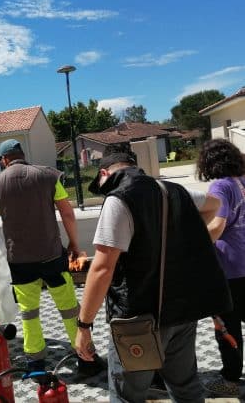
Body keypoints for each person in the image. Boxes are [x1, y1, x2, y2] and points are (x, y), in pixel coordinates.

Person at [75, 152, 232, 402]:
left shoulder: (119, 198)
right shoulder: (173, 190)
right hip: (182, 312)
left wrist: (83, 326)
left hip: (138, 321)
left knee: (128, 394)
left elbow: (102, 268)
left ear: (105, 174)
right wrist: (189, 237)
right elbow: (215, 205)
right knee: (185, 387)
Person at [0, 139, 104, 375]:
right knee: (68, 309)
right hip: (52, 257)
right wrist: (74, 243)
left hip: (20, 262)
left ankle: (36, 364)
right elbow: (67, 212)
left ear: (3, 160)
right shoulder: (47, 176)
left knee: (29, 312)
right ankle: (86, 359)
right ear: (22, 154)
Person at [196, 139, 245, 396]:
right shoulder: (243, 180)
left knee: (227, 326)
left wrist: (193, 251)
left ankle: (230, 380)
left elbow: (216, 226)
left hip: (230, 269)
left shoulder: (221, 186)